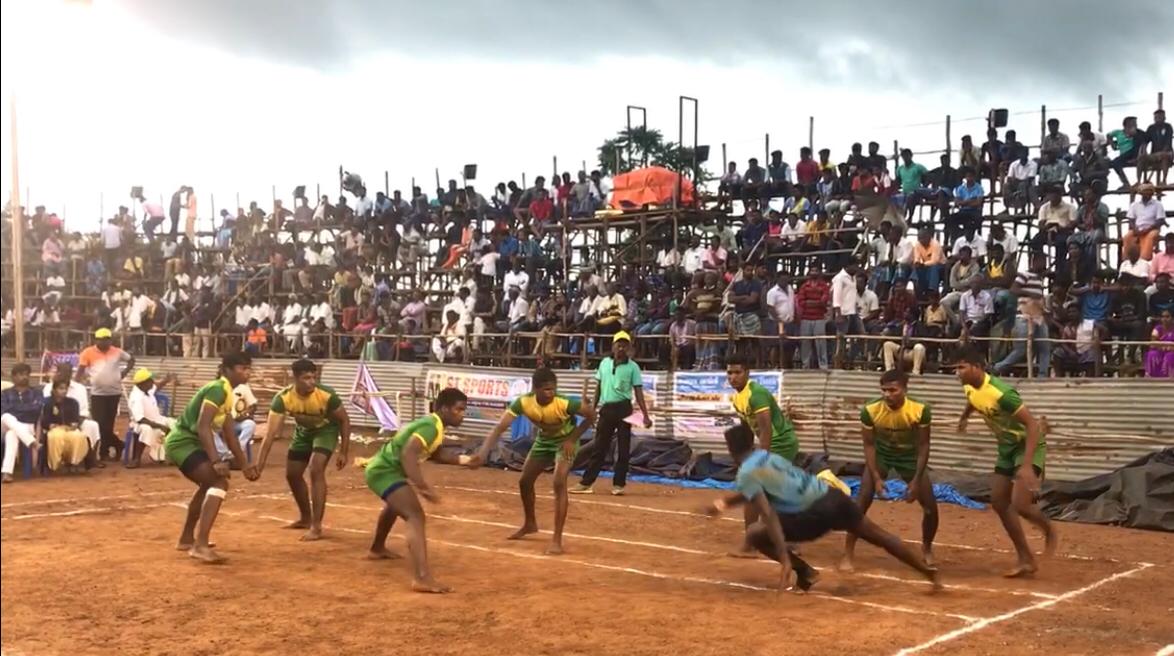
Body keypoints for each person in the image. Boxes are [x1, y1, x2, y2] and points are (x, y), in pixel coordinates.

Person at [701, 424, 941, 592]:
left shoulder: (745, 473)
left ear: (731, 449)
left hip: (812, 514)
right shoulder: (768, 457)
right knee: (880, 536)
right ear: (752, 443)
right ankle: (926, 571)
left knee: (755, 533)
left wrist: (785, 556)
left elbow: (763, 508)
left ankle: (805, 572)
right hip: (832, 497)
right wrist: (722, 504)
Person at [955, 347, 1057, 577]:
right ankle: (1025, 558)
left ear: (978, 367)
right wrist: (964, 418)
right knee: (999, 502)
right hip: (1006, 447)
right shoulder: (968, 386)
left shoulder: (1002, 393)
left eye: (962, 367)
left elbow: (1032, 425)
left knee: (1020, 504)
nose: (958, 373)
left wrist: (1027, 465)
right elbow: (973, 400)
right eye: (956, 368)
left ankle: (1047, 528)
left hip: (1026, 444)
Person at [473, 368, 597, 555]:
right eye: (546, 389)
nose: (551, 393)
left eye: (553, 388)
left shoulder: (564, 403)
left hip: (566, 442)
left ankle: (557, 540)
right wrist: (482, 453)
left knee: (559, 481)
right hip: (544, 441)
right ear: (535, 389)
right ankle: (530, 523)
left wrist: (572, 439)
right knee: (525, 481)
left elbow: (591, 416)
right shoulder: (523, 402)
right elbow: (500, 427)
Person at [363, 387, 471, 593]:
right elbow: (408, 454)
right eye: (459, 409)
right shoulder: (431, 427)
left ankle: (377, 549)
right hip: (385, 471)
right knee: (415, 516)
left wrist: (465, 459)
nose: (463, 414)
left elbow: (437, 454)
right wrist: (422, 486)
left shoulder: (434, 426)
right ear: (444, 409)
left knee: (397, 506)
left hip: (382, 469)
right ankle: (421, 578)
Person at [162, 352, 259, 563]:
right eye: (242, 368)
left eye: (248, 368)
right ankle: (200, 545)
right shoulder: (217, 389)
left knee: (209, 484)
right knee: (217, 481)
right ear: (227, 370)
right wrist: (216, 461)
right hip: (183, 442)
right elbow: (202, 426)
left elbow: (230, 435)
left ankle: (188, 538)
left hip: (191, 442)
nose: (247, 373)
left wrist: (245, 465)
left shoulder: (228, 392)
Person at [841, 370, 938, 572]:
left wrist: (916, 480)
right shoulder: (870, 410)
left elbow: (923, 445)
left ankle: (927, 547)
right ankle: (848, 551)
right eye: (884, 390)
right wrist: (876, 477)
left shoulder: (920, 410)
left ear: (904, 389)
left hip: (909, 457)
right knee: (861, 502)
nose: (887, 394)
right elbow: (869, 445)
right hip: (882, 455)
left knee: (930, 507)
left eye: (893, 390)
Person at [256, 358, 351, 542]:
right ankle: (305, 518)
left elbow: (344, 420)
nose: (311, 382)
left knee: (316, 469)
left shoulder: (326, 395)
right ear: (296, 379)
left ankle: (316, 526)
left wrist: (343, 451)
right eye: (306, 378)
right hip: (303, 433)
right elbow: (269, 434)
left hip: (326, 430)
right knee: (292, 474)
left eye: (313, 377)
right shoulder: (282, 398)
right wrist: (259, 465)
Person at [724, 354, 800, 557]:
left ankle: (752, 544)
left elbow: (766, 430)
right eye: (729, 373)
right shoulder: (737, 397)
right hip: (774, 444)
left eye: (737, 372)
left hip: (781, 444)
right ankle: (786, 538)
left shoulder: (756, 394)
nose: (733, 377)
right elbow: (747, 430)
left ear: (747, 373)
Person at [572, 331, 652, 496]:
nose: (621, 348)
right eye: (618, 344)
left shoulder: (633, 367)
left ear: (629, 348)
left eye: (624, 345)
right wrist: (592, 410)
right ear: (613, 346)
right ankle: (586, 483)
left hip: (624, 408)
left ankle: (618, 484)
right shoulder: (604, 364)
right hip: (607, 408)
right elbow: (598, 388)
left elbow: (638, 393)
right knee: (599, 447)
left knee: (623, 448)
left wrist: (645, 415)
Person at [76, 327, 135, 462]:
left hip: (114, 393)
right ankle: (119, 444)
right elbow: (80, 370)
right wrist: (74, 385)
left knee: (108, 424)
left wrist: (124, 373)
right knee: (99, 424)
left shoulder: (117, 352)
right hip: (97, 394)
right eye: (101, 339)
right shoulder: (87, 353)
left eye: (107, 339)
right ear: (96, 340)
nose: (105, 342)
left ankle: (104, 452)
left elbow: (131, 360)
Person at [41, 363, 100, 464]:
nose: (64, 374)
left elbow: (84, 411)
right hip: (54, 424)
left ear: (71, 373)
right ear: (57, 373)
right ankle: (57, 460)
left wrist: (75, 424)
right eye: (61, 372)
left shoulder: (80, 388)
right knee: (57, 435)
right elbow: (46, 411)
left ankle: (89, 458)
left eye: (67, 372)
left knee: (92, 426)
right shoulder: (48, 388)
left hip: (77, 420)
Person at [2, 363, 43, 482]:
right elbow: (4, 409)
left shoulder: (37, 392)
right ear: (13, 377)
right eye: (21, 374)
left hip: (28, 426)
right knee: (5, 416)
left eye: (26, 374)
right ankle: (33, 442)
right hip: (7, 425)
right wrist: (26, 409)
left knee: (12, 434)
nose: (24, 377)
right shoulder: (5, 393)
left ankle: (7, 473)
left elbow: (36, 409)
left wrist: (15, 409)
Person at [39, 379, 90, 473]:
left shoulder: (73, 403)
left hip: (69, 429)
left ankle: (74, 462)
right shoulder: (47, 403)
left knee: (78, 436)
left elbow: (76, 419)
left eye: (65, 389)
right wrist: (50, 425)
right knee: (56, 437)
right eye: (61, 388)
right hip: (54, 429)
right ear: (54, 390)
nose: (64, 391)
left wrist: (74, 424)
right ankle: (56, 464)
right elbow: (44, 421)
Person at [127, 368, 174, 467]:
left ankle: (166, 456)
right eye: (150, 380)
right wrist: (160, 426)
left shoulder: (146, 389)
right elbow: (140, 419)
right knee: (146, 430)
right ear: (143, 383)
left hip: (156, 419)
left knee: (175, 424)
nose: (153, 382)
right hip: (141, 423)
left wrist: (166, 380)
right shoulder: (136, 397)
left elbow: (156, 387)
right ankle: (136, 459)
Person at [1146, 309, 1174, 378]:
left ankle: (1169, 378)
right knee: (1152, 354)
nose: (1164, 319)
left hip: (1172, 352)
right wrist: (1163, 347)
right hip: (1160, 351)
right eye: (1163, 317)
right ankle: (1151, 378)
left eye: (1167, 317)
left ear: (1172, 318)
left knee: (1169, 356)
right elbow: (1153, 343)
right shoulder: (1157, 328)